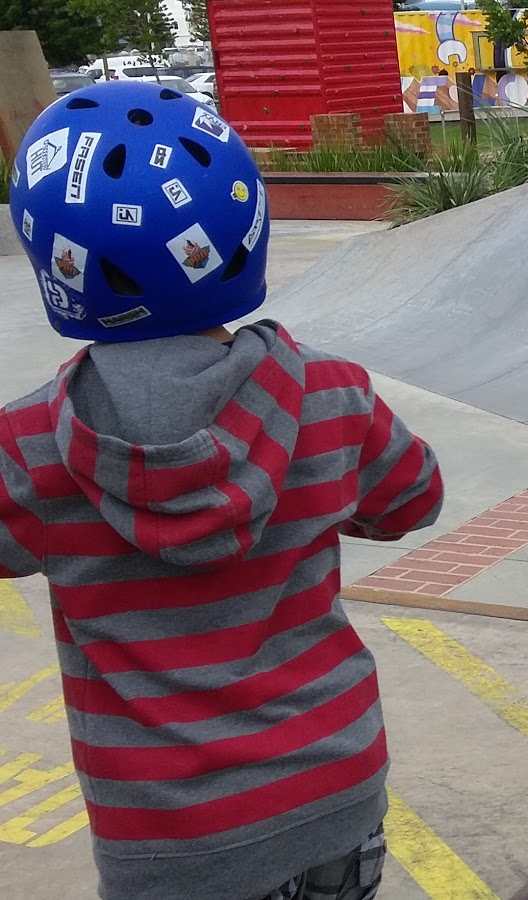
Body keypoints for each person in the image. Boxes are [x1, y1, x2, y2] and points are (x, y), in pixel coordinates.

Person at [0, 81, 444, 900]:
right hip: (334, 802)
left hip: (169, 849)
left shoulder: (28, 446)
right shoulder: (330, 396)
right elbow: (413, 500)